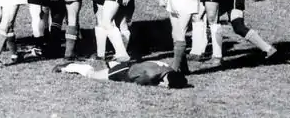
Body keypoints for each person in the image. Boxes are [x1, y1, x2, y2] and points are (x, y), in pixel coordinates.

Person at [52, 60, 188, 88]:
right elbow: (138, 82)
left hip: (133, 64)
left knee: (116, 66)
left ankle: (111, 62)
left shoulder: (169, 68)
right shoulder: (152, 75)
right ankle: (68, 66)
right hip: (124, 71)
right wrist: (158, 85)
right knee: (92, 75)